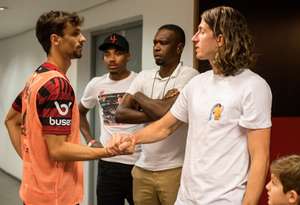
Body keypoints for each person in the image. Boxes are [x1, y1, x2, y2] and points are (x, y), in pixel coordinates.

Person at [114, 6, 272, 205]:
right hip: (186, 198)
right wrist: (132, 139)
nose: (194, 38)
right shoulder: (196, 84)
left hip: (225, 199)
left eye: (202, 31)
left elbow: (260, 157)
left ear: (221, 39)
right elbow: (165, 126)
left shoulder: (253, 86)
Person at [4, 11, 130, 205]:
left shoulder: (36, 78)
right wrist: (107, 152)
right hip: (56, 197)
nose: (83, 38)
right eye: (75, 33)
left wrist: (33, 162)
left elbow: (11, 121)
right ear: (56, 39)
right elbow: (58, 150)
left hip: (34, 192)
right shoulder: (57, 85)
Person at [115, 24, 199, 205]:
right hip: (142, 167)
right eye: (155, 43)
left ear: (179, 47)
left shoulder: (190, 76)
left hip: (174, 168)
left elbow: (165, 112)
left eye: (163, 42)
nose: (156, 47)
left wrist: (139, 98)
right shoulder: (144, 76)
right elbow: (120, 113)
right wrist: (161, 111)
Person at [79, 33, 142, 205]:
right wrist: (91, 141)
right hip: (108, 163)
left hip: (138, 162)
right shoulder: (96, 84)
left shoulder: (140, 81)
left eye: (118, 53)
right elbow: (79, 113)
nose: (112, 59)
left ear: (128, 56)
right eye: (107, 54)